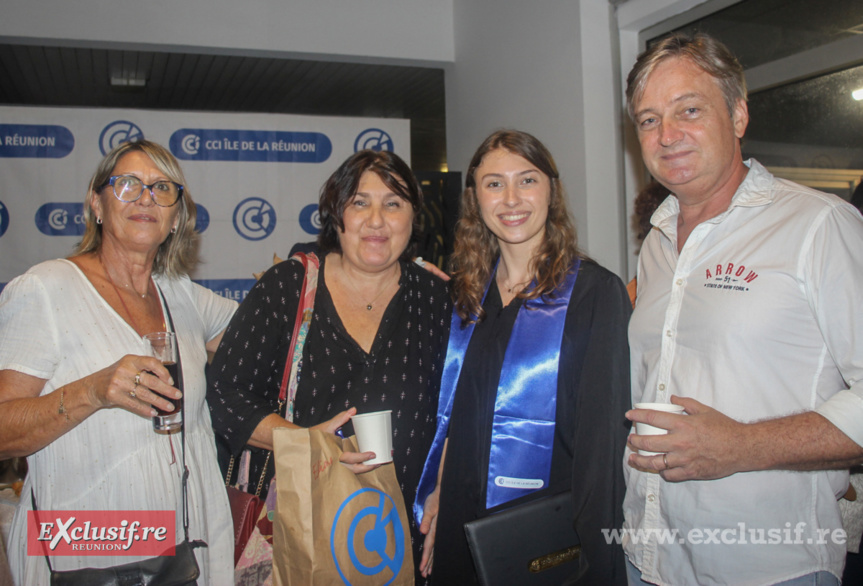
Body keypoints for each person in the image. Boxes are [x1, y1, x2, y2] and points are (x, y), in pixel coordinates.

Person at [623, 32, 863, 585]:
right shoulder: (657, 246)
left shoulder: (817, 225)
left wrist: (744, 446)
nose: (668, 135)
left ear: (737, 115)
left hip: (769, 567)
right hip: (646, 558)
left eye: (689, 110)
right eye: (649, 119)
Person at [207, 149, 450, 583]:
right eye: (360, 202)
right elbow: (226, 397)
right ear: (336, 214)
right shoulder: (288, 288)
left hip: (406, 535)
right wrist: (306, 441)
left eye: (393, 204)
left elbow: (461, 410)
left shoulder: (436, 300)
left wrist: (441, 494)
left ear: (413, 217)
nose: (376, 220)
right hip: (303, 533)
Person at [0, 140, 237, 584]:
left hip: (179, 549)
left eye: (162, 187)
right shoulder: (46, 288)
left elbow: (271, 331)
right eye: (128, 184)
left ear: (175, 217)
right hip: (85, 552)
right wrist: (91, 391)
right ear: (97, 204)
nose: (146, 197)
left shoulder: (180, 294)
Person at [415, 130, 631, 585]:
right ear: (475, 198)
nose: (511, 198)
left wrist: (599, 562)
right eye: (494, 184)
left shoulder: (595, 295)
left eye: (527, 180)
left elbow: (603, 453)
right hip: (459, 521)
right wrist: (436, 495)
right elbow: (455, 416)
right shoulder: (463, 297)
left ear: (551, 190)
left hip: (544, 534)